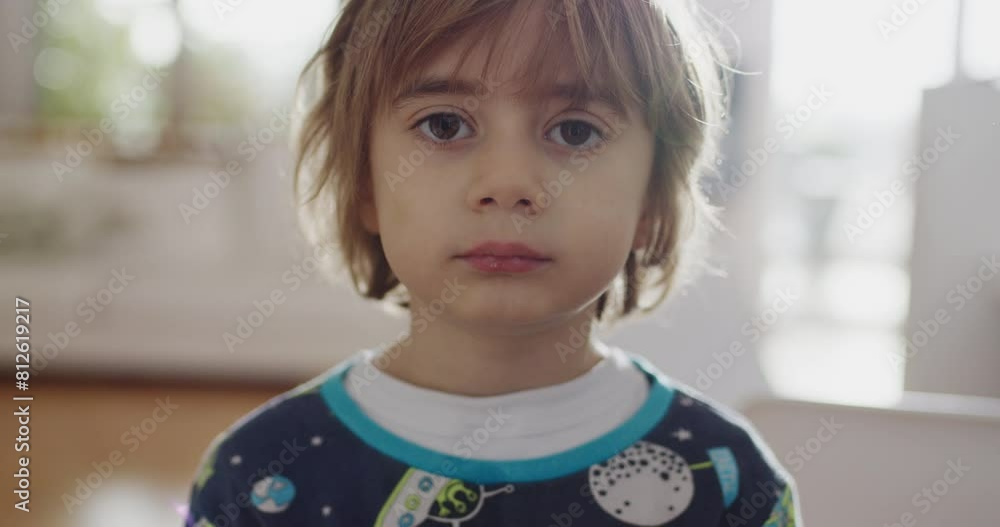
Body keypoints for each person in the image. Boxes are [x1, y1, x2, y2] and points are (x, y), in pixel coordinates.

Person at [184, 0, 800, 525]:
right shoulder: (260, 475)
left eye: (576, 133)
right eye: (445, 124)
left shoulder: (727, 484)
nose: (508, 184)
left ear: (652, 199)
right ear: (366, 184)